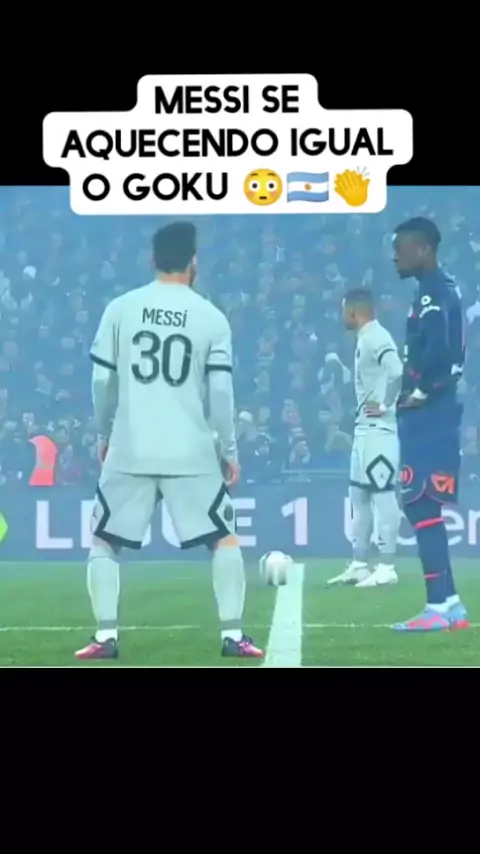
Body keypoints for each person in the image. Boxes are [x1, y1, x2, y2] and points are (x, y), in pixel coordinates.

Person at [75, 221, 263, 660]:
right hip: (190, 448)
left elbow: (102, 381)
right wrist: (228, 450)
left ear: (152, 260)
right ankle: (233, 635)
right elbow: (220, 393)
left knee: (104, 540)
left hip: (131, 444)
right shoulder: (210, 317)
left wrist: (104, 432)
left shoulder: (121, 309)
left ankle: (105, 637)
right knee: (223, 538)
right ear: (194, 262)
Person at [391, 217, 468, 631]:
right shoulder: (436, 290)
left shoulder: (436, 293)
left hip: (432, 413)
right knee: (424, 504)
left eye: (400, 248)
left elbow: (442, 349)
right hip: (435, 412)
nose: (395, 256)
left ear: (423, 249)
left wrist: (420, 390)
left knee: (421, 503)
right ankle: (450, 603)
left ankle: (438, 605)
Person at [327, 288, 402, 587]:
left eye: (343, 310)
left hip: (379, 430)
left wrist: (385, 405)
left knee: (383, 494)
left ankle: (387, 566)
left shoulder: (376, 337)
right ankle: (360, 564)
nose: (342, 316)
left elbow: (396, 371)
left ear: (353, 312)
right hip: (364, 429)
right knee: (359, 496)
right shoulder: (365, 338)